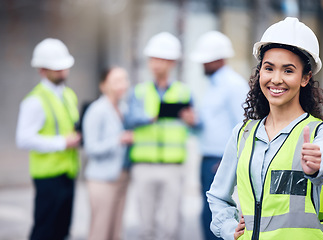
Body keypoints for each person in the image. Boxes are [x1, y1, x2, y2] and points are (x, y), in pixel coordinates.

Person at [207, 17, 323, 240]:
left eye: (288, 71)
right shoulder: (243, 134)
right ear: (260, 72)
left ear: (305, 78)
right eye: (269, 68)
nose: (276, 79)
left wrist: (317, 166)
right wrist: (228, 227)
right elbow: (218, 196)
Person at [127, 32, 196, 240]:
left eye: (160, 59)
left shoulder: (185, 92)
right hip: (144, 165)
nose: (155, 64)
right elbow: (128, 119)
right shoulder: (138, 92)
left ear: (172, 62)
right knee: (146, 226)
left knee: (172, 226)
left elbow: (196, 124)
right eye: (152, 59)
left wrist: (192, 119)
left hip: (173, 167)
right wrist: (150, 117)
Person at [16, 38, 81, 240]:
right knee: (44, 231)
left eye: (64, 67)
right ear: (42, 70)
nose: (63, 72)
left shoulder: (69, 95)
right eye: (57, 68)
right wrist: (62, 142)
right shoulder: (35, 101)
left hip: (68, 172)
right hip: (48, 177)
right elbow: (23, 138)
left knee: (62, 231)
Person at [190, 31, 249, 240]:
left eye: (206, 61)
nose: (202, 65)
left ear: (219, 59)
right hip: (208, 159)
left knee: (217, 219)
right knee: (207, 218)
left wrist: (228, 162)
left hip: (219, 161)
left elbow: (244, 127)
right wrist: (193, 122)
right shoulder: (213, 86)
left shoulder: (233, 85)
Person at [82, 67, 133, 240]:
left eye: (124, 80)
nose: (122, 85)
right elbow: (91, 148)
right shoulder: (97, 110)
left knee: (116, 231)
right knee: (100, 231)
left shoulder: (124, 108)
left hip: (121, 176)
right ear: (104, 85)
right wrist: (118, 140)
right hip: (102, 180)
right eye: (116, 81)